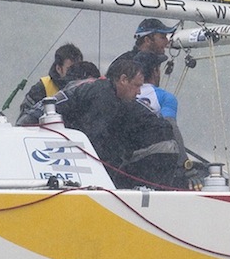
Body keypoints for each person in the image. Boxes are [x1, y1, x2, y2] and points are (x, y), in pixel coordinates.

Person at [57, 57, 185, 188]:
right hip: (167, 150)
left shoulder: (109, 97)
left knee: (111, 172)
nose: (139, 92)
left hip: (156, 150)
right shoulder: (105, 97)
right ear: (123, 80)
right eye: (137, 85)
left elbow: (97, 143)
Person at [17, 43, 86, 125]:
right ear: (58, 68)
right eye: (69, 69)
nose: (75, 73)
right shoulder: (41, 88)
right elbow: (23, 121)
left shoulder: (87, 88)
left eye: (78, 68)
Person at [111, 17, 176, 69]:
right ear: (147, 40)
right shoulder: (127, 65)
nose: (167, 41)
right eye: (162, 37)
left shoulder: (128, 60)